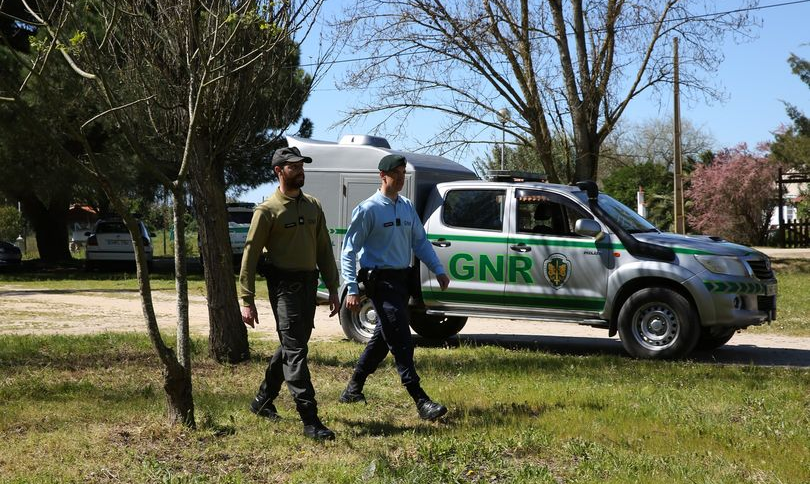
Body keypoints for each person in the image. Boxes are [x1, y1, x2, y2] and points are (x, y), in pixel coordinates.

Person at [339, 153, 451, 421]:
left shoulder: (406, 206)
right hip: (380, 282)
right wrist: (352, 288)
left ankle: (353, 389)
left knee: (382, 337)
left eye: (403, 174)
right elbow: (348, 251)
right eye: (396, 174)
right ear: (383, 176)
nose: (401, 179)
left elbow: (420, 241)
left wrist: (438, 269)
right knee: (401, 339)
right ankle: (420, 399)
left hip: (403, 281)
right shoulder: (368, 209)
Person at [239, 146, 341, 441]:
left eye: (302, 166)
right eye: (293, 167)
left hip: (309, 285)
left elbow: (324, 248)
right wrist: (246, 299)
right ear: (279, 171)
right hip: (284, 288)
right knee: (296, 351)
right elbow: (250, 255)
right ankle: (310, 420)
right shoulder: (267, 211)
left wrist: (333, 287)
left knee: (289, 346)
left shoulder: (313, 205)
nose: (300, 171)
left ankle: (262, 401)